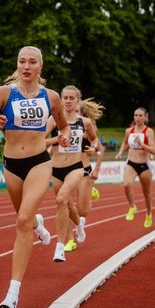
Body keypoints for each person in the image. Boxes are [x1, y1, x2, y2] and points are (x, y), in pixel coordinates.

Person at [0, 46, 71, 308]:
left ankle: (13, 292)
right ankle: (39, 224)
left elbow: (63, 125)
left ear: (40, 67)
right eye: (22, 61)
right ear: (17, 65)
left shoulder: (51, 97)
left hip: (39, 162)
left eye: (32, 62)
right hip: (11, 165)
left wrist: (63, 136)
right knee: (25, 218)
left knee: (21, 221)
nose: (26, 66)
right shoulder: (4, 93)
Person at [45, 86, 100, 262]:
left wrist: (93, 148)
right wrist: (55, 140)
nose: (68, 101)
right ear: (60, 100)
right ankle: (80, 224)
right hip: (56, 169)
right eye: (65, 98)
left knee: (60, 200)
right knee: (67, 206)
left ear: (77, 101)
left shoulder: (85, 122)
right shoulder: (53, 121)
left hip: (76, 167)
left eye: (71, 98)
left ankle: (59, 246)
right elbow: (39, 140)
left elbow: (95, 140)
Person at [64, 98, 105, 252]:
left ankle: (90, 191)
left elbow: (100, 150)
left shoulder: (87, 126)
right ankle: (70, 240)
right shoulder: (62, 125)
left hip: (84, 170)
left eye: (76, 111)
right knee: (67, 205)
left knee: (82, 211)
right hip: (66, 169)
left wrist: (97, 169)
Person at [115, 107, 155, 228]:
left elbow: (153, 150)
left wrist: (142, 144)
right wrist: (120, 152)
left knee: (146, 193)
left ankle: (148, 214)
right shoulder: (129, 131)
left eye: (140, 116)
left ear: (145, 117)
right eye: (136, 115)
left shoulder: (149, 131)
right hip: (131, 162)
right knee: (127, 184)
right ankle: (132, 207)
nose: (137, 118)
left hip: (144, 165)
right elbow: (125, 142)